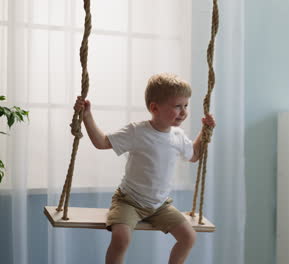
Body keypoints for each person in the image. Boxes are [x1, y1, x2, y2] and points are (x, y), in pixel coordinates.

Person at [74, 73, 216, 264]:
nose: (183, 112)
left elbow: (195, 156)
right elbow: (102, 142)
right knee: (121, 238)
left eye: (186, 106)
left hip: (159, 205)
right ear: (154, 108)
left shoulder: (178, 136)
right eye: (177, 106)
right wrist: (87, 116)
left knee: (188, 237)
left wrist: (204, 132)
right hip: (129, 201)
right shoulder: (137, 131)